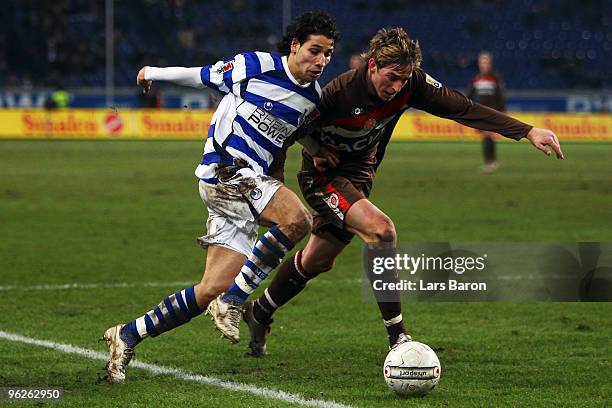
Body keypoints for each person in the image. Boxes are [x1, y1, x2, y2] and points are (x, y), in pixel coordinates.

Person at [213, 27, 563, 356]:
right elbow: (285, 134)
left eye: (403, 79)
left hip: (360, 177)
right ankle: (398, 337)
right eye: (391, 77)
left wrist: (526, 131)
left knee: (319, 259)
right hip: (323, 178)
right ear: (372, 65)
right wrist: (273, 191)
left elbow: (463, 107)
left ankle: (259, 312)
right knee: (382, 231)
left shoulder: (412, 84)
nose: (396, 87)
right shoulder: (337, 94)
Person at [101, 11, 339, 382]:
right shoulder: (256, 65)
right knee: (297, 220)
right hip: (226, 171)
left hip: (245, 185)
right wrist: (153, 73)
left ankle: (128, 335)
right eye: (315, 50)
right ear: (295, 46)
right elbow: (202, 76)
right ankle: (233, 301)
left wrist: (317, 149)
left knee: (210, 287)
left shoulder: (312, 97)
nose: (321, 61)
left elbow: (293, 130)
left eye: (328, 54)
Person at [467, 51, 506, 172]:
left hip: (492, 112)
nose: (484, 65)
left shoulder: (495, 78)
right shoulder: (476, 79)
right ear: (479, 64)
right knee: (487, 137)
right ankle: (490, 162)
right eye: (482, 62)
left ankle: (490, 163)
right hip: (480, 112)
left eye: (486, 62)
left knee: (488, 136)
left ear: (490, 63)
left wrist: (502, 111)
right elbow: (470, 95)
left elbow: (501, 96)